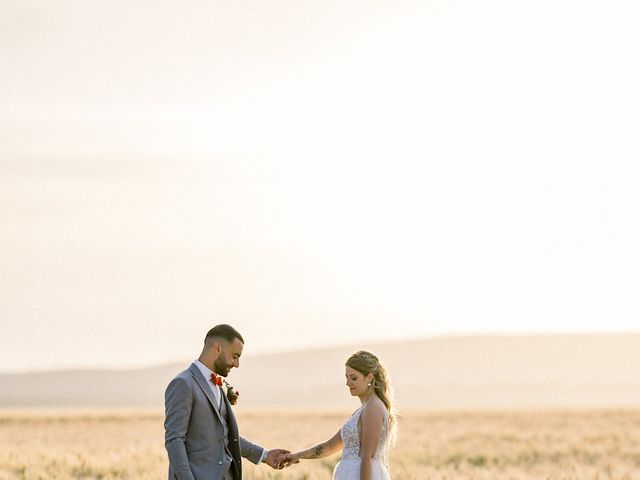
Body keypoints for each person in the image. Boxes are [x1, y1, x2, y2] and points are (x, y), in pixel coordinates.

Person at [164, 324, 289, 480]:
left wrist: (265, 455)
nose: (237, 364)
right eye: (235, 356)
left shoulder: (216, 386)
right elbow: (174, 440)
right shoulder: (183, 383)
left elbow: (224, 436)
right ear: (218, 348)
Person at [282, 350, 397, 480]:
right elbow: (330, 446)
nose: (348, 383)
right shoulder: (363, 409)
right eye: (347, 378)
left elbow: (368, 457)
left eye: (354, 378)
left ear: (369, 377)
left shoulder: (373, 407)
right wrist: (298, 455)